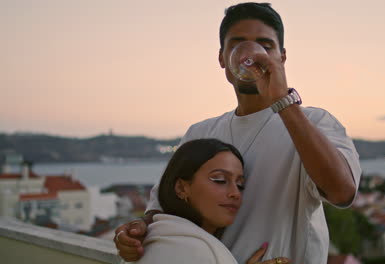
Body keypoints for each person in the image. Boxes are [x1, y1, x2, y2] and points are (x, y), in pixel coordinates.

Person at [115, 3, 361, 264]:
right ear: (222, 58)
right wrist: (137, 230)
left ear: (282, 57)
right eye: (237, 44)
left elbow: (342, 193)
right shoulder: (200, 132)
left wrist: (283, 101)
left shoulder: (314, 122)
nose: (252, 55)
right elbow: (163, 209)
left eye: (266, 46)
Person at [132, 138, 289, 264]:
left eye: (240, 185)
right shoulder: (196, 250)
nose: (235, 193)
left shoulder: (160, 237)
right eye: (219, 180)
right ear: (181, 188)